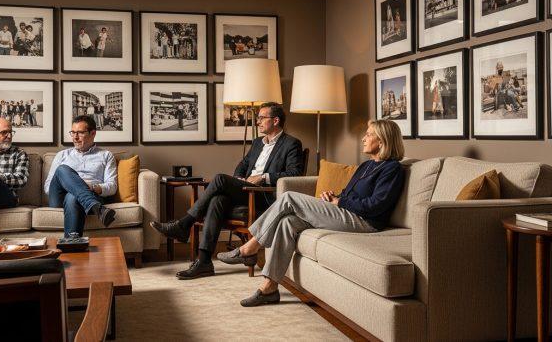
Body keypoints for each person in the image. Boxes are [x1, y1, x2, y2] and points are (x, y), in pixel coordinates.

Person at [217, 119, 405, 306]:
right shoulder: (367, 165)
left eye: (369, 134)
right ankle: (269, 287)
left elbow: (376, 205)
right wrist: (334, 196)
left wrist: (340, 201)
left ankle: (249, 248)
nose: (364, 138)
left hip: (365, 222)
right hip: (347, 211)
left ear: (382, 141)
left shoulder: (392, 169)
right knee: (287, 222)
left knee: (289, 198)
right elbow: (349, 194)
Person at [150, 102, 304, 280]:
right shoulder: (257, 144)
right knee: (218, 200)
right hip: (246, 189)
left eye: (262, 118)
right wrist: (239, 178)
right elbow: (242, 166)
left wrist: (263, 177)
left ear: (275, 120)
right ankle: (204, 261)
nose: (258, 122)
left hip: (264, 195)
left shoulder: (291, 144)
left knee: (220, 179)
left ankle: (184, 224)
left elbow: (294, 174)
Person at [44, 115, 117, 237]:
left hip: (91, 193)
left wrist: (92, 187)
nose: (75, 137)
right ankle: (96, 208)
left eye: (80, 133)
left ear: (93, 133)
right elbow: (48, 187)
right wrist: (74, 185)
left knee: (72, 197)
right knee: (62, 169)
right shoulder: (62, 155)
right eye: (73, 133)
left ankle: (72, 243)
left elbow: (112, 186)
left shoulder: (106, 155)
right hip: (59, 198)